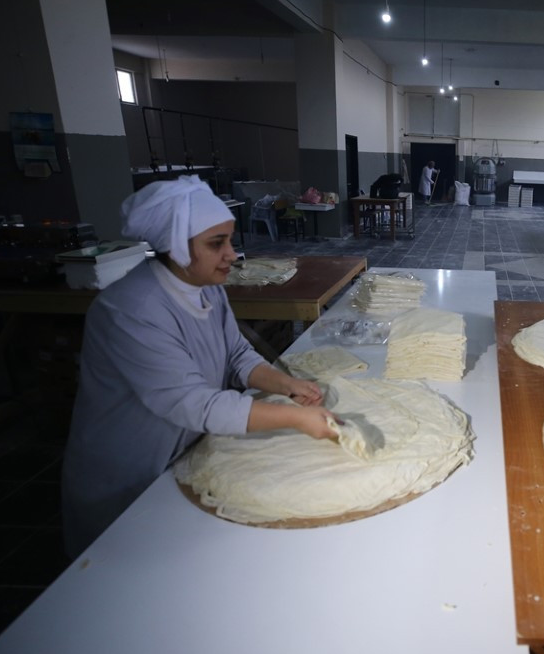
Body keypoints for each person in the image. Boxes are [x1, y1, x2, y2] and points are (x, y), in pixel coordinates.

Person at [62, 175, 340, 557]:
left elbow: (235, 353)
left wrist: (283, 383)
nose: (232, 254)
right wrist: (295, 418)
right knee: (129, 573)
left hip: (182, 453)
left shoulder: (206, 287)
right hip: (129, 475)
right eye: (216, 244)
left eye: (229, 240)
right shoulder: (130, 310)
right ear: (175, 247)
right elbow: (191, 403)